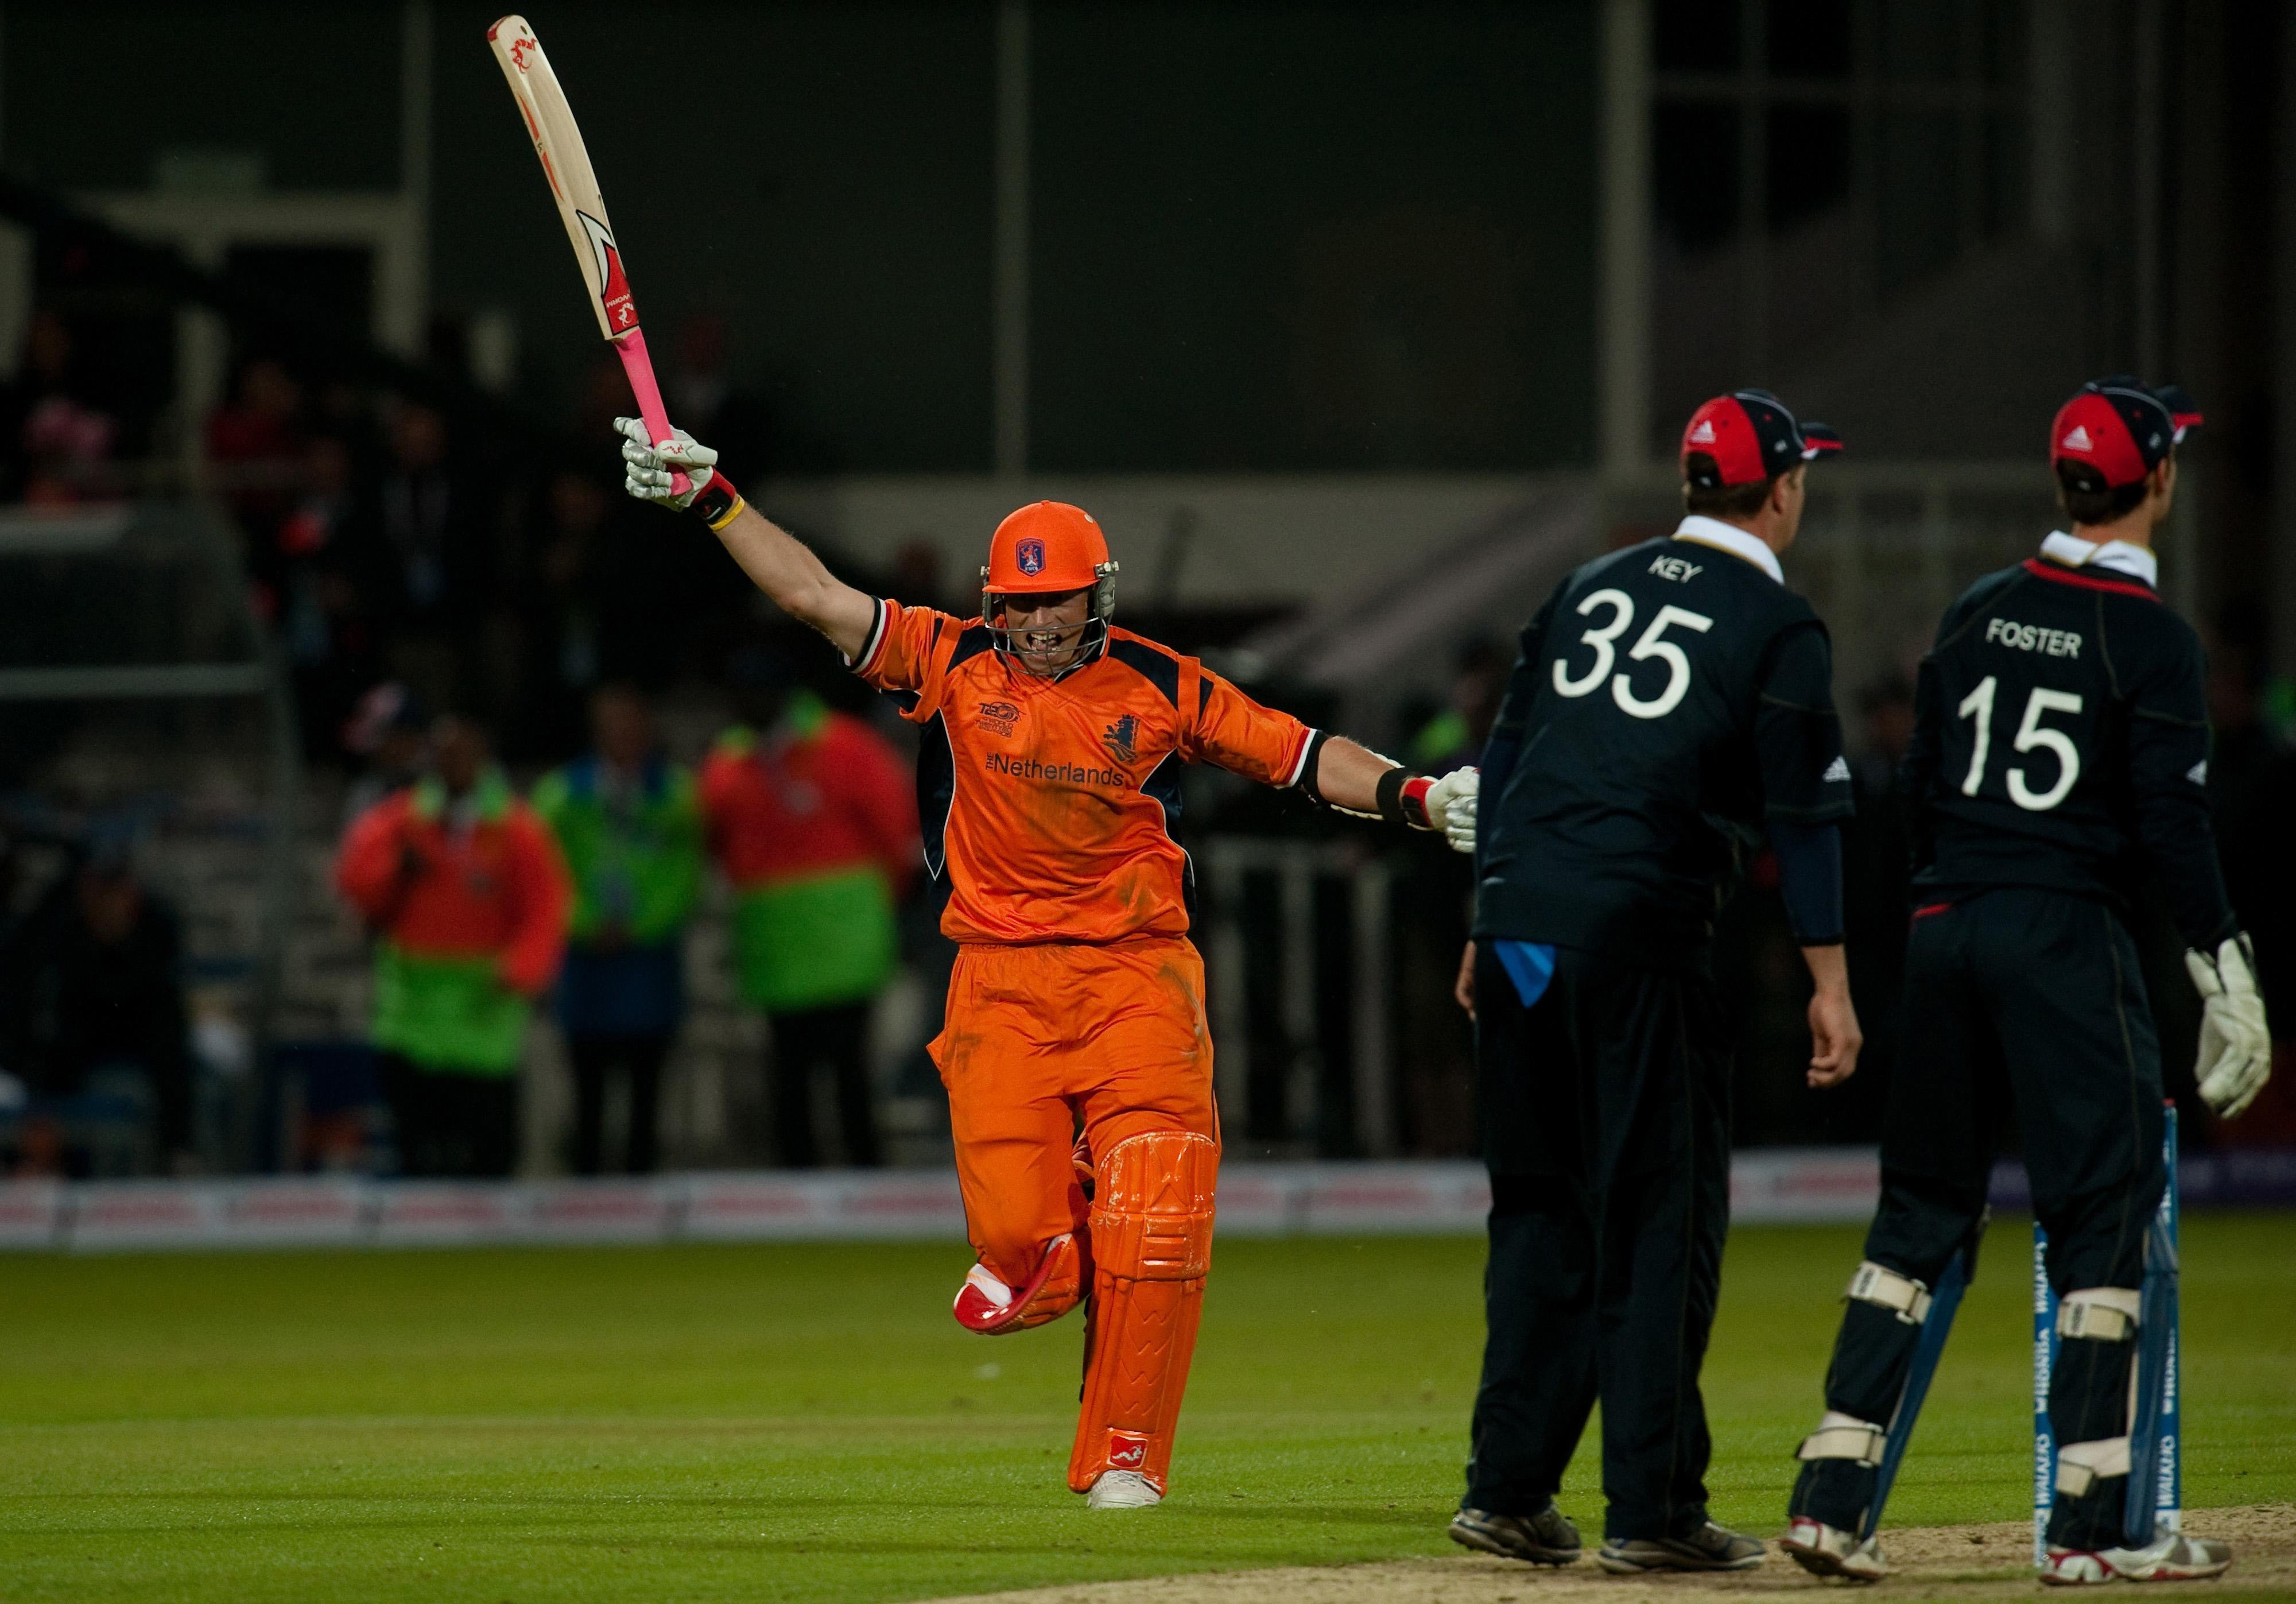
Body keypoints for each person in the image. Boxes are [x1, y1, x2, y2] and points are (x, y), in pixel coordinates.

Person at [617, 417, 1474, 1507]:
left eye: (1052, 600)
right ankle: (1057, 1250)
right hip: (1000, 984)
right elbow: (816, 597)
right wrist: (713, 498)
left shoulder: (1161, 683)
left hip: (1138, 975)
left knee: (1160, 1212)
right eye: (1015, 602)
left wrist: (1422, 793)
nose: (1031, 622)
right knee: (1021, 1240)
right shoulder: (948, 656)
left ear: (1095, 598)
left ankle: (1127, 1456)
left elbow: (1300, 755)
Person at [1779, 379, 2268, 1585]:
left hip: (1947, 929)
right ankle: (2091, 1529)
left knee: (1915, 1220)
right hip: (2064, 937)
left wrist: (1938, 922)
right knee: (2100, 1219)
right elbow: (2169, 823)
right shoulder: (2148, 638)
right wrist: (2226, 965)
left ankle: (1827, 1502)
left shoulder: (1976, 608)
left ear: (2063, 481)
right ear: (2154, 479)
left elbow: (1919, 789)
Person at [1452, 390, 1861, 1574]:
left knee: (1538, 1209)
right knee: (1657, 1216)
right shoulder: (1774, 623)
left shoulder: (1585, 586)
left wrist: (1489, 920)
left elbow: (1510, 759)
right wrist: (1827, 982)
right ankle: (1652, 1507)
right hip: (1636, 937)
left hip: (1525, 930)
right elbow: (1807, 812)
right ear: (1778, 488)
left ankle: (1508, 1487)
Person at [700, 647, 917, 1168]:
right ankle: (807, 1191)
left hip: (841, 948)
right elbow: (716, 841)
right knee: (792, 1077)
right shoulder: (731, 764)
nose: (741, 705)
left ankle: (860, 1185)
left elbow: (896, 832)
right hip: (781, 951)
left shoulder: (841, 748)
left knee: (846, 1074)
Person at [335, 714, 571, 1177]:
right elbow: (356, 886)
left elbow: (547, 907)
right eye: (443, 751)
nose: (452, 761)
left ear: (483, 754)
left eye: (463, 750)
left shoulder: (517, 829)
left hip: (484, 1019)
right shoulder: (400, 821)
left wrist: (523, 970)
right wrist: (395, 873)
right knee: (418, 1157)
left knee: (488, 1158)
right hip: (411, 1019)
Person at [532, 685, 704, 1175]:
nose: (624, 735)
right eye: (613, 725)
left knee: (646, 1097)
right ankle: (586, 1215)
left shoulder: (676, 795)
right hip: (586, 970)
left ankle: (646, 1212)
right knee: (587, 1096)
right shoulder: (561, 796)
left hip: (649, 966)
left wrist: (639, 926)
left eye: (632, 724)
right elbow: (546, 877)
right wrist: (587, 924)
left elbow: (684, 874)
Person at [0, 841, 193, 1175]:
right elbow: (29, 1010)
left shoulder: (156, 932)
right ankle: (34, 1169)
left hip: (135, 1042)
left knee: (162, 1071)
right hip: (71, 1045)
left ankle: (175, 1156)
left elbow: (166, 1032)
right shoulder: (59, 930)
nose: (106, 903)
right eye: (98, 891)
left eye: (114, 891)